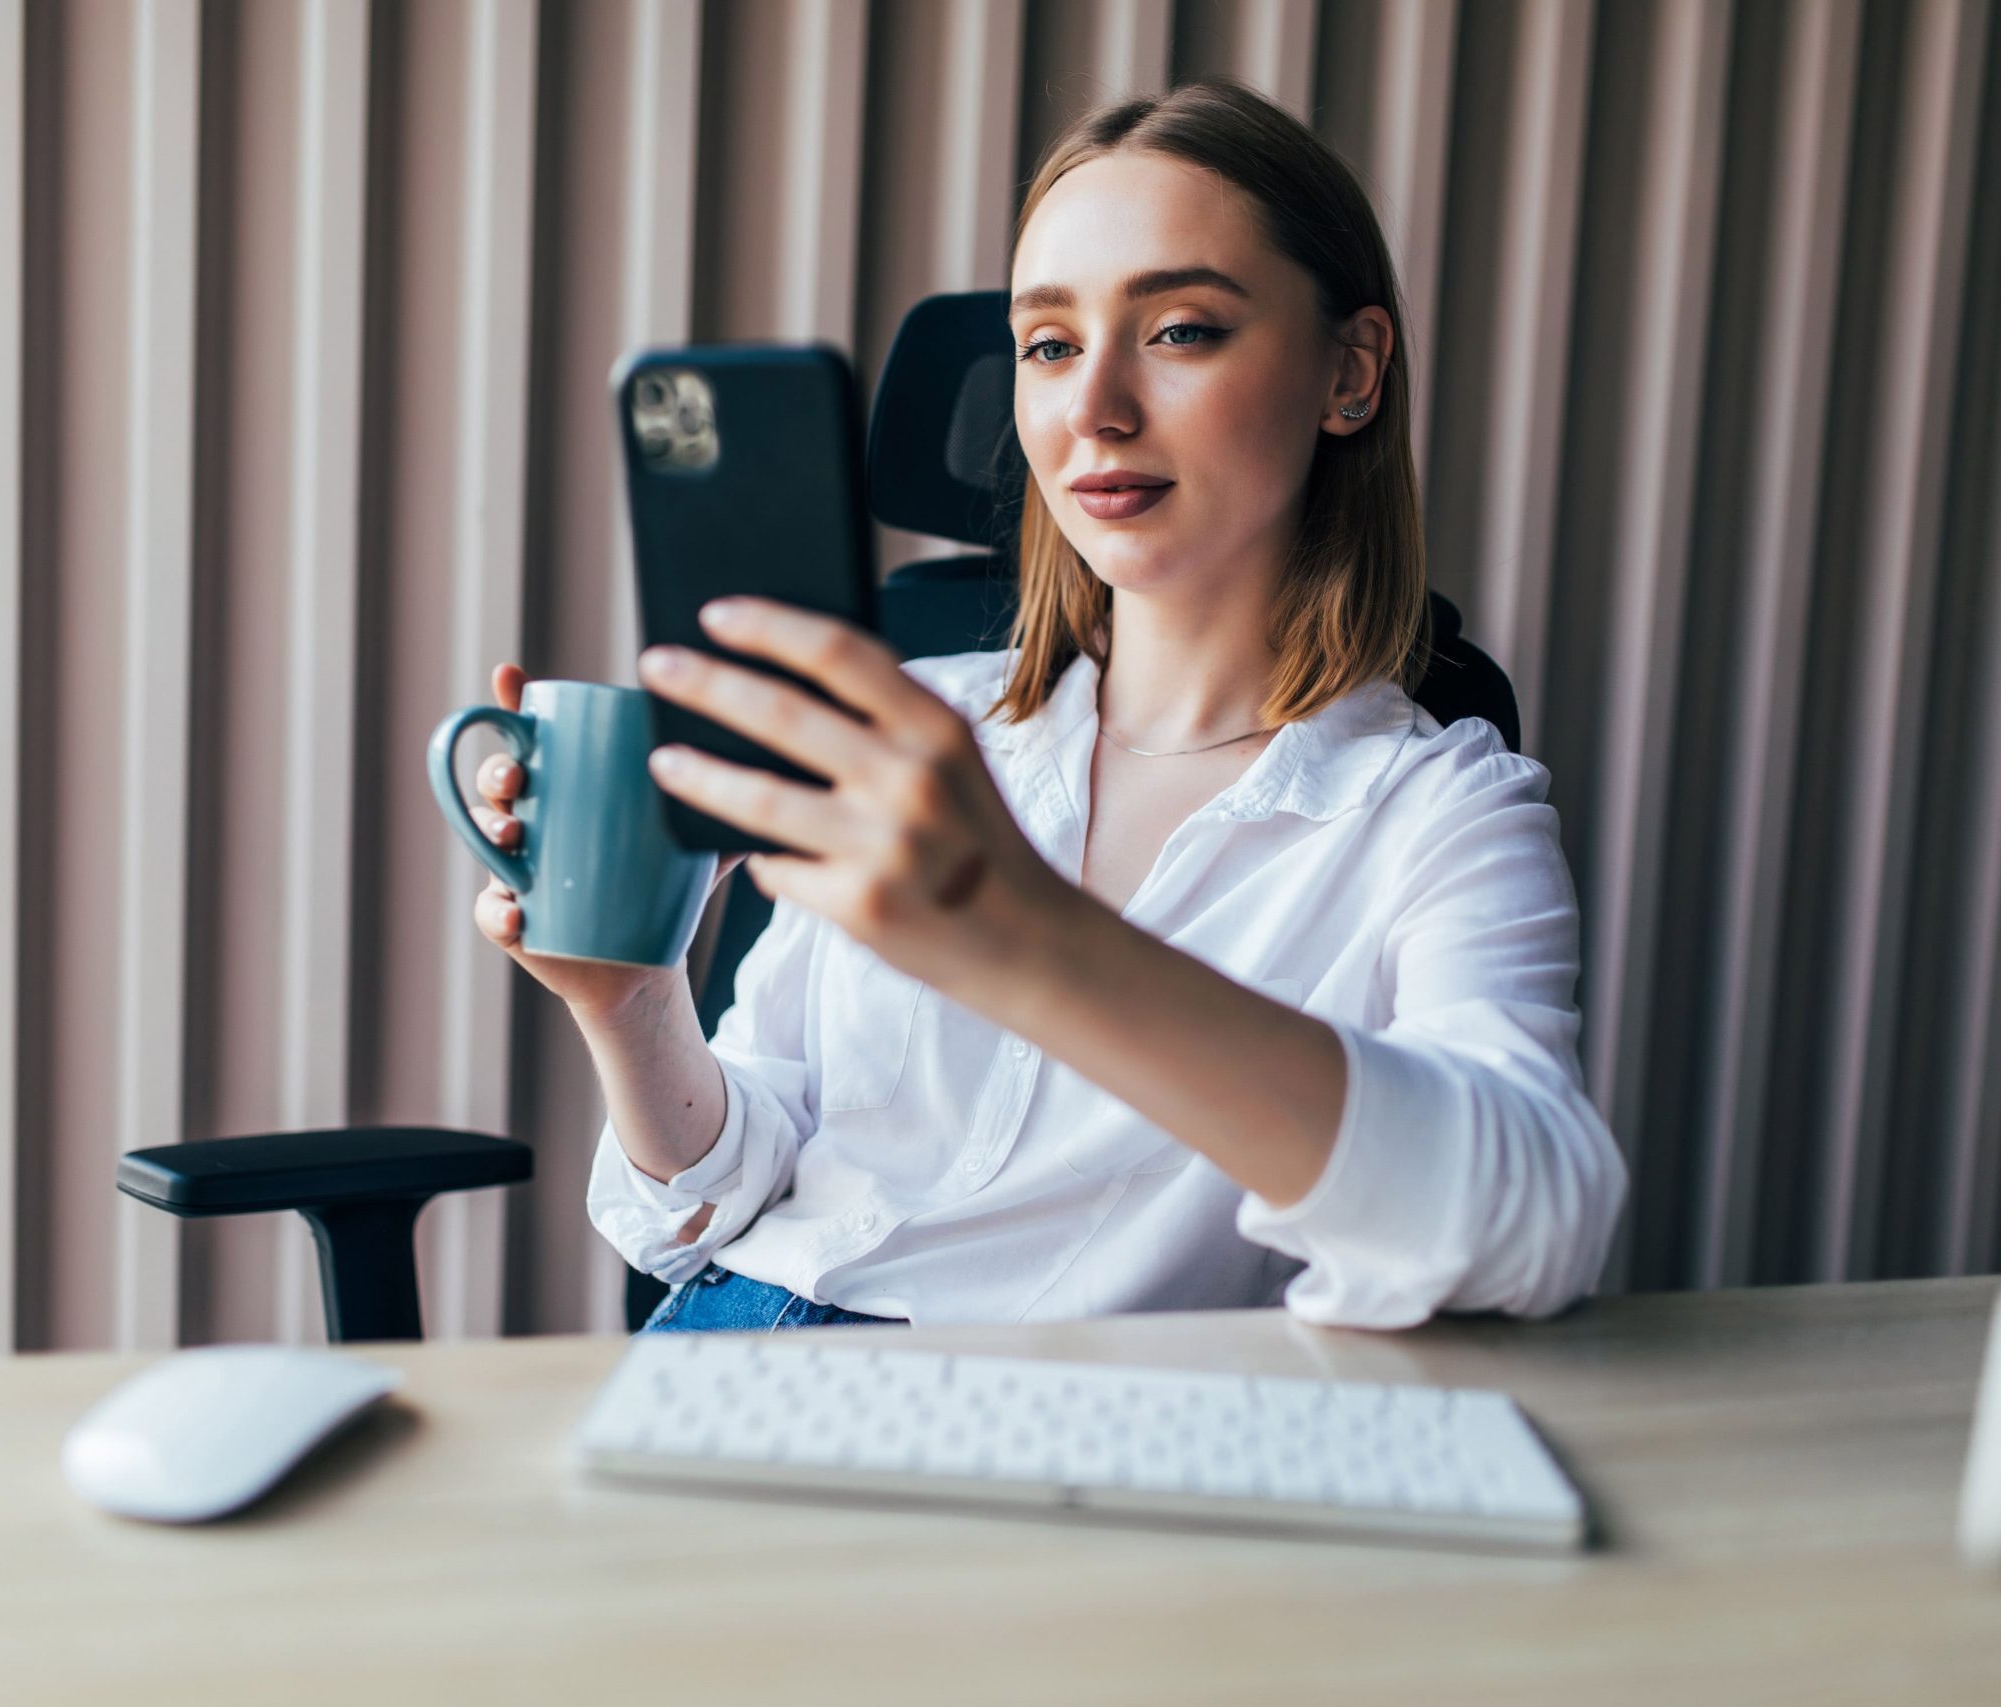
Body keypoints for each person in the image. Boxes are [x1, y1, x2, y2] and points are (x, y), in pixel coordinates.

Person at [469, 79, 1626, 1333]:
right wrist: (632, 1004)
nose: (1093, 411)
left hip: (1054, 1415)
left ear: (1349, 372)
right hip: (731, 1347)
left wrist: (1024, 937)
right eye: (1050, 345)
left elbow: (1533, 1227)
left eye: (1180, 330)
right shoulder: (917, 730)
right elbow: (735, 1187)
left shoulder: (1441, 816)